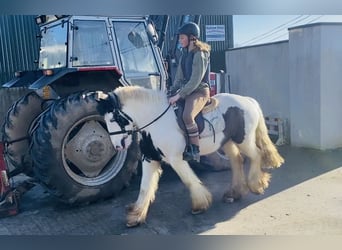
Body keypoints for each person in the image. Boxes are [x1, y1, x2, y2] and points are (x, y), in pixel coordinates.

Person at [168, 22, 211, 163]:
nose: (180, 41)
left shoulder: (200, 54)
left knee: (187, 115)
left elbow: (195, 80)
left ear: (192, 38)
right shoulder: (184, 54)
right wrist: (171, 91)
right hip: (188, 90)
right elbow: (179, 78)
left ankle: (195, 150)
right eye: (179, 38)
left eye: (182, 38)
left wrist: (179, 95)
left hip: (200, 91)